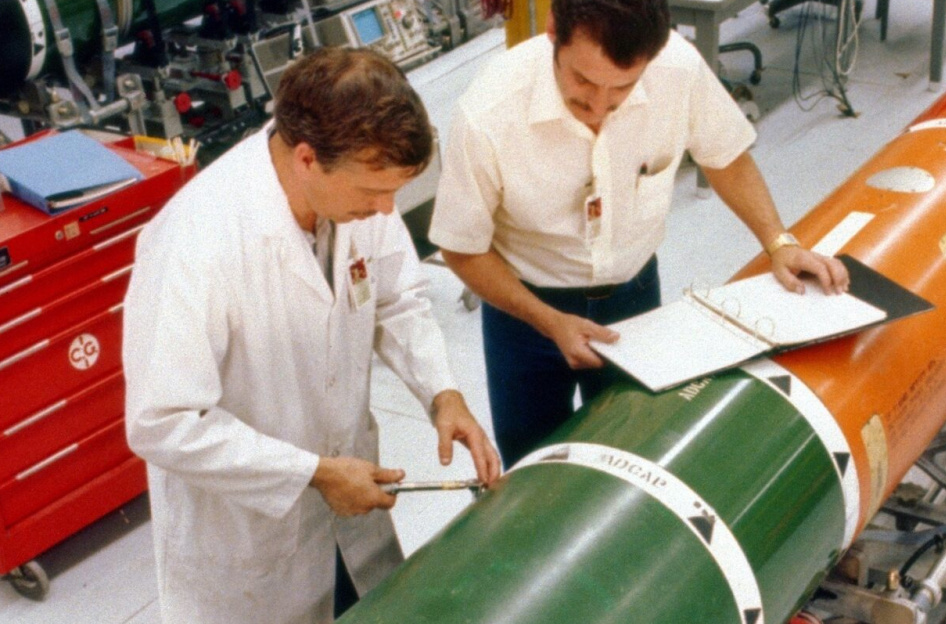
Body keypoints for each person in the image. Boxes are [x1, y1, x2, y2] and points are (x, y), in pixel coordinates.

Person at [123, 47, 501, 624]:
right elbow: (163, 420)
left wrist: (442, 392)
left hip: (350, 519)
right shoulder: (194, 242)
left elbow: (398, 297)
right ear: (306, 159)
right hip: (249, 544)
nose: (386, 211)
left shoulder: (357, 190)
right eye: (373, 194)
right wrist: (314, 473)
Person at [429, 0, 850, 467]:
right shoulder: (489, 112)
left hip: (633, 299)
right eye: (582, 84)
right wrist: (548, 321)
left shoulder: (678, 69)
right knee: (532, 466)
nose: (597, 110)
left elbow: (725, 156)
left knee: (635, 454)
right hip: (523, 313)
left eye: (621, 91)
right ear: (553, 29)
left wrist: (778, 242)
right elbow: (461, 248)